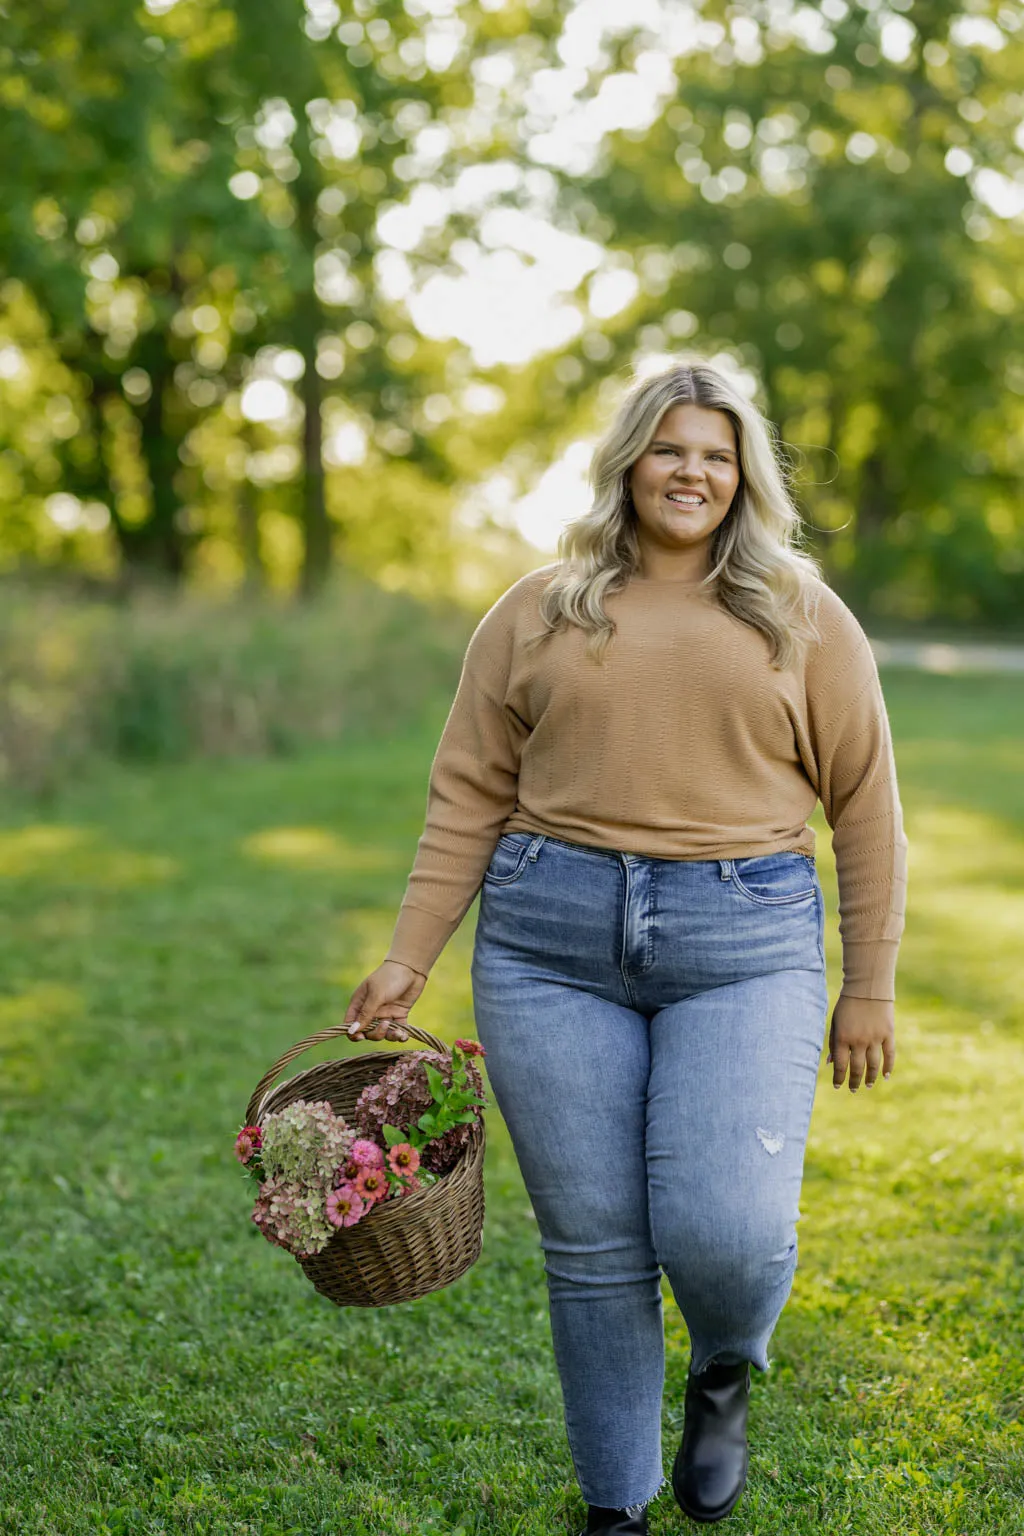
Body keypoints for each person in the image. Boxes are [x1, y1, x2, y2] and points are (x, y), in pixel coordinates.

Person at [343, 357, 908, 1534]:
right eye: (668, 448)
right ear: (627, 464)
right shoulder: (540, 606)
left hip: (743, 938)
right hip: (547, 941)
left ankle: (721, 1366)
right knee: (594, 1248)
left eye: (715, 451)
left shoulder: (800, 610)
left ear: (743, 472)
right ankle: (616, 1508)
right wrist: (409, 954)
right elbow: (465, 793)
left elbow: (865, 805)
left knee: (727, 1230)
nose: (690, 471)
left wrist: (871, 985)